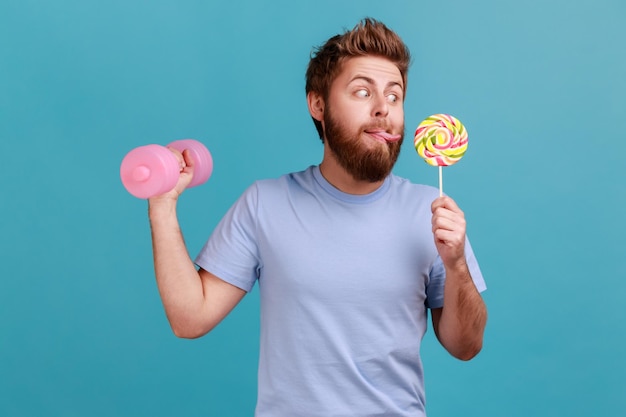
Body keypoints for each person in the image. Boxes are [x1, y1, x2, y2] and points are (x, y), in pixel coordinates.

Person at [147, 18, 487, 417]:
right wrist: (162, 204)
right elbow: (190, 318)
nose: (383, 108)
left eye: (395, 97)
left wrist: (457, 265)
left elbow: (466, 347)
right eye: (363, 91)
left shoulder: (431, 211)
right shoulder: (265, 204)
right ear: (318, 104)